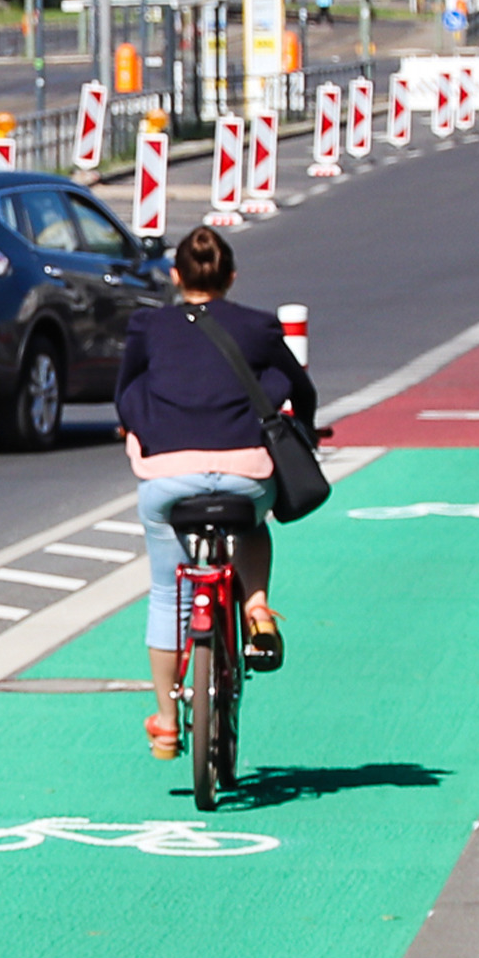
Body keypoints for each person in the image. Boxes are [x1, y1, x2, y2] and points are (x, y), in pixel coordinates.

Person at [114, 227, 316, 760]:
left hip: (167, 478)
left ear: (176, 276)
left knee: (165, 593)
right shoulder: (256, 327)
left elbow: (125, 391)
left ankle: (165, 720)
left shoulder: (148, 326)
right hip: (243, 474)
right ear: (230, 277)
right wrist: (308, 431)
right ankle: (257, 606)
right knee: (254, 523)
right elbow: (300, 387)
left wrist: (139, 428)